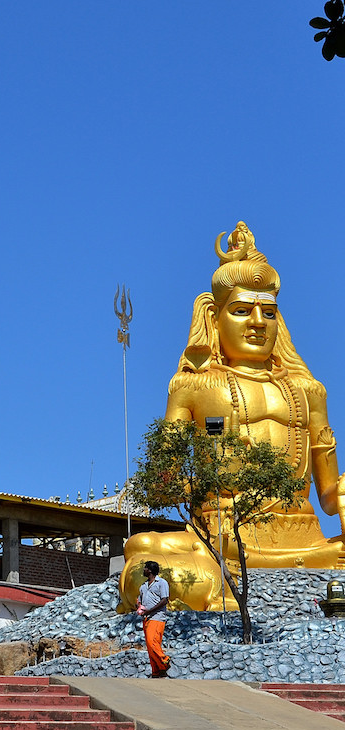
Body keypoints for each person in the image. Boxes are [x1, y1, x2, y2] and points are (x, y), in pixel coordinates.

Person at [119, 222, 345, 612]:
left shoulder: (310, 392)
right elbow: (165, 485)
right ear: (214, 316)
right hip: (222, 534)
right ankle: (209, 586)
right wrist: (177, 477)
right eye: (242, 310)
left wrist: (341, 493)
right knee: (141, 551)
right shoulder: (192, 388)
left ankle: (211, 590)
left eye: (268, 312)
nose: (258, 322)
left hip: (305, 538)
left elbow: (327, 496)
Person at [138, 560, 170, 678]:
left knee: (152, 643)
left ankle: (164, 660)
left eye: (145, 568)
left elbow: (164, 600)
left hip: (157, 617)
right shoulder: (143, 586)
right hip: (146, 618)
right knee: (150, 646)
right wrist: (139, 607)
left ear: (150, 570)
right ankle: (157, 670)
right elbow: (139, 600)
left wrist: (149, 611)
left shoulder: (161, 583)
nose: (144, 570)